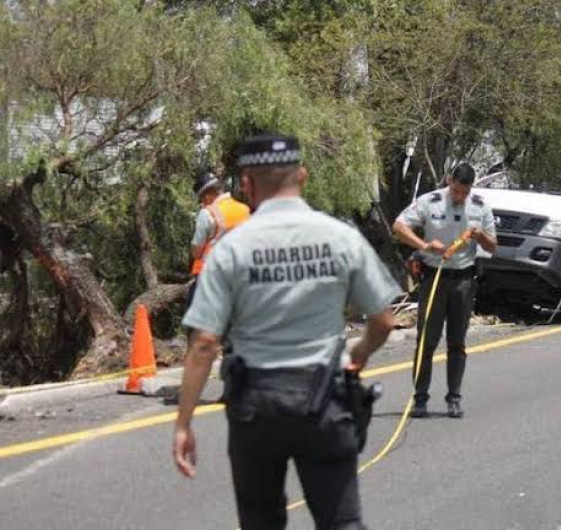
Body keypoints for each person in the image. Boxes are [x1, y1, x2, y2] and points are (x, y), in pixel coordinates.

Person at [173, 133, 401, 530]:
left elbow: (205, 342)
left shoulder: (231, 248)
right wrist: (359, 354)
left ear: (246, 184)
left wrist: (184, 422)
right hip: (325, 398)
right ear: (303, 175)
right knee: (341, 521)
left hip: (255, 405)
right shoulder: (340, 237)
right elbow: (383, 319)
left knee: (261, 520)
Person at [392, 163, 497, 419]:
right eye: (456, 190)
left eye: (464, 191)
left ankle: (454, 398)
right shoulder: (431, 201)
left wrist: (479, 235)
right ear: (449, 181)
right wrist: (425, 245)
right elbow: (399, 226)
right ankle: (420, 399)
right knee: (426, 341)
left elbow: (493, 247)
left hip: (464, 280)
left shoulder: (481, 206)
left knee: (457, 342)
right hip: (434, 278)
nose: (459, 196)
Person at [188, 171, 250, 308]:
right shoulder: (244, 210)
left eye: (202, 200)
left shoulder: (208, 213)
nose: (203, 204)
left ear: (208, 196)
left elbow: (196, 252)